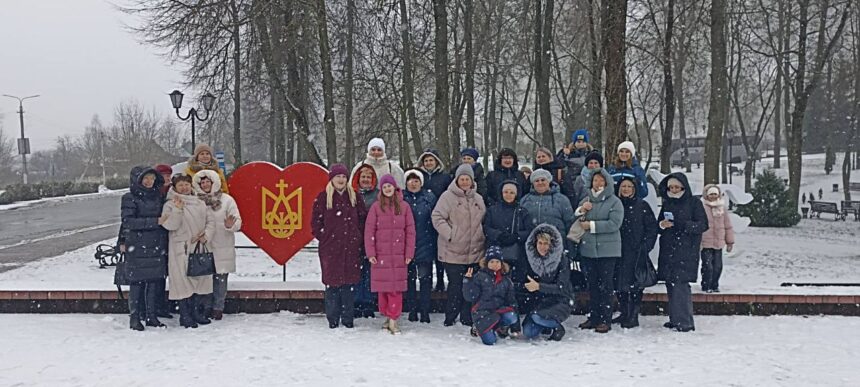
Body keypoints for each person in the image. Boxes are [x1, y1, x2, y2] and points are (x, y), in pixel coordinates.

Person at [312, 164, 367, 329]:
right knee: (332, 285)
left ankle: (348, 318)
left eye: (343, 176)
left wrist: (358, 237)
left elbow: (362, 219)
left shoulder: (355, 197)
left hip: (351, 247)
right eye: (338, 177)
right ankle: (333, 319)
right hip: (331, 249)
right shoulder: (323, 198)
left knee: (349, 286)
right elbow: (315, 223)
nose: (341, 180)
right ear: (332, 179)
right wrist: (325, 237)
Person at [432, 164, 487, 327]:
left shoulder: (478, 198)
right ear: (457, 180)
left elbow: (483, 219)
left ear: (472, 181)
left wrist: (481, 235)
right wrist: (450, 234)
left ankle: (466, 316)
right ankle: (450, 316)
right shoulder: (447, 197)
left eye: (467, 179)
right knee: (455, 287)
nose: (464, 182)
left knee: (470, 287)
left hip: (474, 251)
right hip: (453, 252)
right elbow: (437, 217)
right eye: (462, 179)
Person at [161, 174, 215, 329]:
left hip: (198, 247)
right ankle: (185, 315)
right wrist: (177, 210)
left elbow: (210, 221)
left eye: (186, 184)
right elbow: (170, 225)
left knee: (199, 280)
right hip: (180, 249)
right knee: (183, 282)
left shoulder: (200, 203)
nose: (184, 188)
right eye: (180, 185)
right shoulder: (170, 204)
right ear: (175, 187)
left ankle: (197, 312)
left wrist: (206, 235)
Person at [365, 174, 416, 334]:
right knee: (383, 290)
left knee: (395, 289)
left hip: (399, 255)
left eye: (390, 186)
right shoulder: (376, 207)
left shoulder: (404, 206)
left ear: (395, 188)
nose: (388, 189)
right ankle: (387, 316)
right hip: (381, 256)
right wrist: (371, 252)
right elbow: (369, 231)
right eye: (385, 186)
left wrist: (409, 252)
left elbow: (410, 231)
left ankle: (394, 319)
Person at [573, 168, 623, 333]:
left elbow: (614, 224)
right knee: (592, 285)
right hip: (588, 250)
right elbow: (577, 218)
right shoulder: (587, 200)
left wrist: (592, 226)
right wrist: (582, 210)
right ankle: (593, 317)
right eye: (595, 180)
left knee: (606, 286)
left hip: (608, 251)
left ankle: (605, 318)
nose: (598, 183)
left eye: (602, 180)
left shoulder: (614, 201)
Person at [657, 173, 709, 332]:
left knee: (681, 285)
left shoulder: (694, 203)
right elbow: (659, 222)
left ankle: (685, 321)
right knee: (670, 284)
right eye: (671, 187)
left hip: (686, 249)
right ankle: (674, 319)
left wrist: (683, 225)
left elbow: (703, 225)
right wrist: (662, 225)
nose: (673, 190)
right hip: (668, 248)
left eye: (676, 187)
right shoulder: (667, 202)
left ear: (683, 187)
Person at [120, 166, 169, 331]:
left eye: (152, 178)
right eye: (145, 179)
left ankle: (151, 315)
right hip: (138, 245)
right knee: (137, 282)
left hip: (156, 245)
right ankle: (134, 317)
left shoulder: (158, 197)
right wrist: (154, 222)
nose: (149, 182)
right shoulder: (129, 198)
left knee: (154, 281)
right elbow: (128, 222)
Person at [193, 170, 242, 321]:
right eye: (202, 182)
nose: (205, 185)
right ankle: (205, 307)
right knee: (205, 279)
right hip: (204, 245)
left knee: (220, 279)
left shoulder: (227, 200)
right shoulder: (195, 200)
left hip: (222, 244)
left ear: (214, 182)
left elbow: (238, 222)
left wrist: (230, 225)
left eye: (208, 182)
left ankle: (218, 308)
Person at [613, 176, 658, 329]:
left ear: (634, 189)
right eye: (623, 186)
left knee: (635, 284)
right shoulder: (615, 204)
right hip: (618, 250)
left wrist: (646, 246)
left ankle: (633, 315)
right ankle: (624, 312)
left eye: (629, 187)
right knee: (619, 284)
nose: (626, 189)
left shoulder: (642, 205)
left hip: (636, 251)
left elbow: (652, 228)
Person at [518, 224, 573, 341]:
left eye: (546, 244)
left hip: (561, 300)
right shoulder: (530, 259)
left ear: (552, 245)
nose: (543, 247)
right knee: (528, 332)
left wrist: (539, 286)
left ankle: (557, 327)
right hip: (541, 302)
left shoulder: (562, 260)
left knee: (536, 317)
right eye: (540, 243)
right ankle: (546, 324)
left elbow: (561, 287)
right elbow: (524, 283)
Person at [462, 246, 520, 345]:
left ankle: (499, 327)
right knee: (490, 341)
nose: (494, 264)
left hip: (498, 311)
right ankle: (480, 326)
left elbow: (512, 301)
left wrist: (516, 326)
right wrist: (467, 282)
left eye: (497, 262)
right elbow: (469, 297)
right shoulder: (479, 277)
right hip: (482, 312)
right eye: (492, 262)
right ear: (486, 263)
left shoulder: (506, 280)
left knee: (511, 316)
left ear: (501, 263)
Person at [402, 169, 438, 323]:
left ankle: (425, 310)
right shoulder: (401, 198)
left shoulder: (429, 198)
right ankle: (412, 309)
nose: (413, 183)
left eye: (416, 180)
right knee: (409, 279)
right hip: (406, 245)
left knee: (425, 279)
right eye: (410, 180)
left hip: (426, 243)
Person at [416, 148, 452, 291]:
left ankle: (441, 281)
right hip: (423, 218)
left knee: (440, 251)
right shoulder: (420, 177)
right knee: (426, 252)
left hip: (441, 217)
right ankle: (427, 281)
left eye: (431, 160)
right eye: (426, 160)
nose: (429, 163)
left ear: (437, 162)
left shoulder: (444, 177)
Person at [483, 180, 532, 272]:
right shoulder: (492, 210)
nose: (508, 195)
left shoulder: (522, 211)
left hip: (518, 252)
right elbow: (486, 228)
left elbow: (529, 230)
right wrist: (498, 235)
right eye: (506, 192)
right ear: (501, 193)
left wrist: (517, 236)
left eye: (512, 192)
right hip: (496, 253)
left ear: (516, 194)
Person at [350, 163, 379, 318]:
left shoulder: (378, 195)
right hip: (354, 238)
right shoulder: (351, 194)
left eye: (369, 177)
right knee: (356, 271)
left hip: (373, 238)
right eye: (363, 177)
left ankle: (368, 302)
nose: (366, 180)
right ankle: (356, 302)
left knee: (370, 271)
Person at [519, 169, 575, 243]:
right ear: (533, 184)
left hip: (557, 242)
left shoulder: (562, 199)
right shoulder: (525, 200)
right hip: (533, 243)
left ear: (549, 181)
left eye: (543, 180)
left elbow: (569, 222)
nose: (540, 183)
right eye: (537, 181)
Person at [700, 184, 735, 293]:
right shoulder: (702, 208)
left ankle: (714, 285)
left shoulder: (721, 208)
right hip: (706, 242)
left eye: (715, 194)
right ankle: (706, 285)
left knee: (718, 266)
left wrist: (730, 242)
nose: (713, 196)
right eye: (711, 194)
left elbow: (728, 226)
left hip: (719, 242)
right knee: (707, 266)